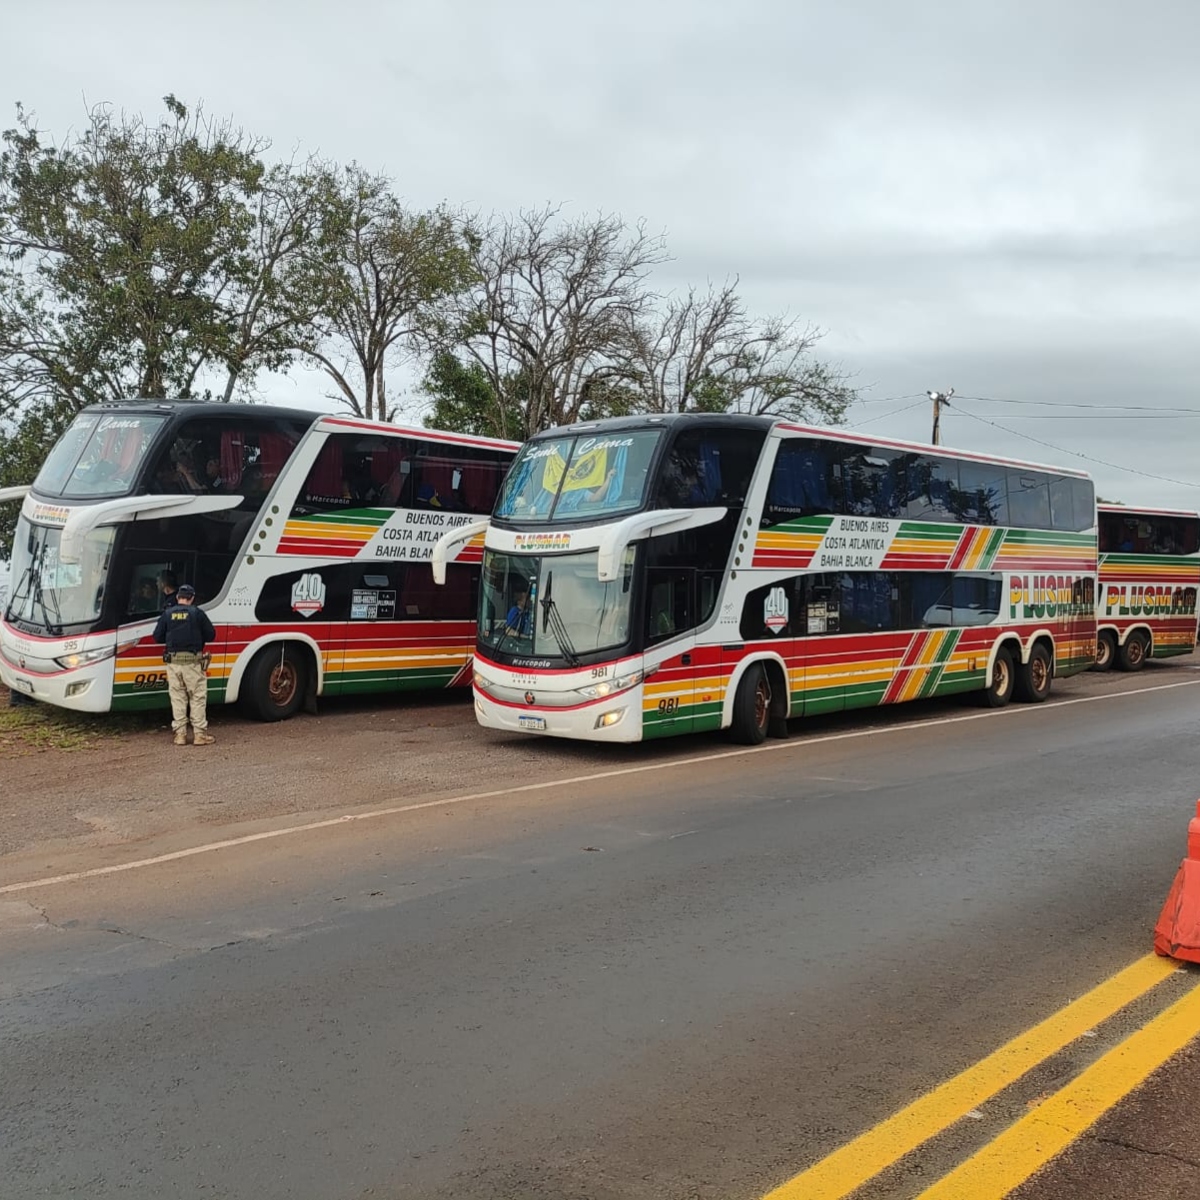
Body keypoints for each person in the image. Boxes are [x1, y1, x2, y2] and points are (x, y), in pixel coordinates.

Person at [152, 584, 217, 746]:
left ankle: (180, 735)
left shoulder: (167, 614)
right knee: (197, 697)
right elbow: (211, 635)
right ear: (192, 598)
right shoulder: (197, 613)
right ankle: (199, 735)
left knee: (178, 698)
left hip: (173, 663)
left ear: (177, 597)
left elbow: (157, 637)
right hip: (193, 664)